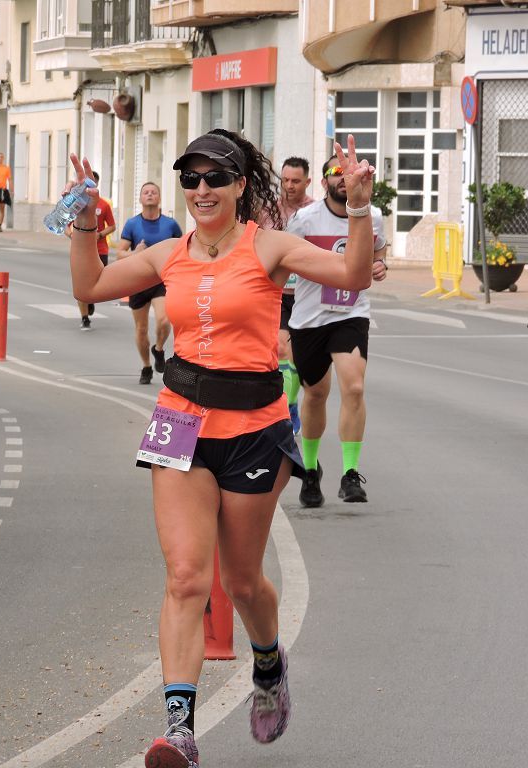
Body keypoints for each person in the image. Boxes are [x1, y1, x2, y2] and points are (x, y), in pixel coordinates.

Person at [66, 129, 375, 768]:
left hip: (254, 427)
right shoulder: (166, 254)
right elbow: (89, 285)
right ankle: (179, 730)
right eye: (192, 178)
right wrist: (82, 214)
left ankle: (268, 661)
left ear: (239, 187)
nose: (201, 189)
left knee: (240, 579)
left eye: (215, 178)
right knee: (186, 577)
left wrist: (362, 207)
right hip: (180, 422)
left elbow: (349, 272)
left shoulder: (270, 247)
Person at [287, 157, 388, 507]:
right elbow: (285, 258)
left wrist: (379, 264)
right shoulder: (304, 220)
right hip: (310, 318)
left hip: (351, 314)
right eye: (337, 173)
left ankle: (350, 473)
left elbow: (379, 250)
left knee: (355, 387)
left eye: (351, 174)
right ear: (325, 182)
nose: (345, 179)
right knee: (315, 395)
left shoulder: (372, 216)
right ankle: (312, 469)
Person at [115, 181, 183, 383]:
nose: (150, 195)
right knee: (141, 329)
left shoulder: (170, 225)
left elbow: (182, 249)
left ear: (159, 198)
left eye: (154, 192)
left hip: (162, 280)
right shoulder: (132, 224)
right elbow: (119, 253)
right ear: (141, 199)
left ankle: (159, 348)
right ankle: (146, 367)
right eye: (146, 192)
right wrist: (135, 253)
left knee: (163, 320)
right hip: (138, 281)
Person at [274, 157, 315, 433]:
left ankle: (292, 400)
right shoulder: (269, 209)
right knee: (280, 348)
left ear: (307, 182)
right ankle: (285, 406)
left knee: (297, 356)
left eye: (295, 181)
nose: (289, 186)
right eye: (285, 180)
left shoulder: (315, 211)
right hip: (276, 291)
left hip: (305, 292)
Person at [66, 172, 115, 330]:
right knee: (82, 284)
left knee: (97, 284)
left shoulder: (103, 205)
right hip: (81, 250)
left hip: (100, 249)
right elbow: (66, 225)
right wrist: (73, 235)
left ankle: (91, 300)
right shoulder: (75, 203)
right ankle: (85, 317)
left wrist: (100, 235)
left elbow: (112, 226)